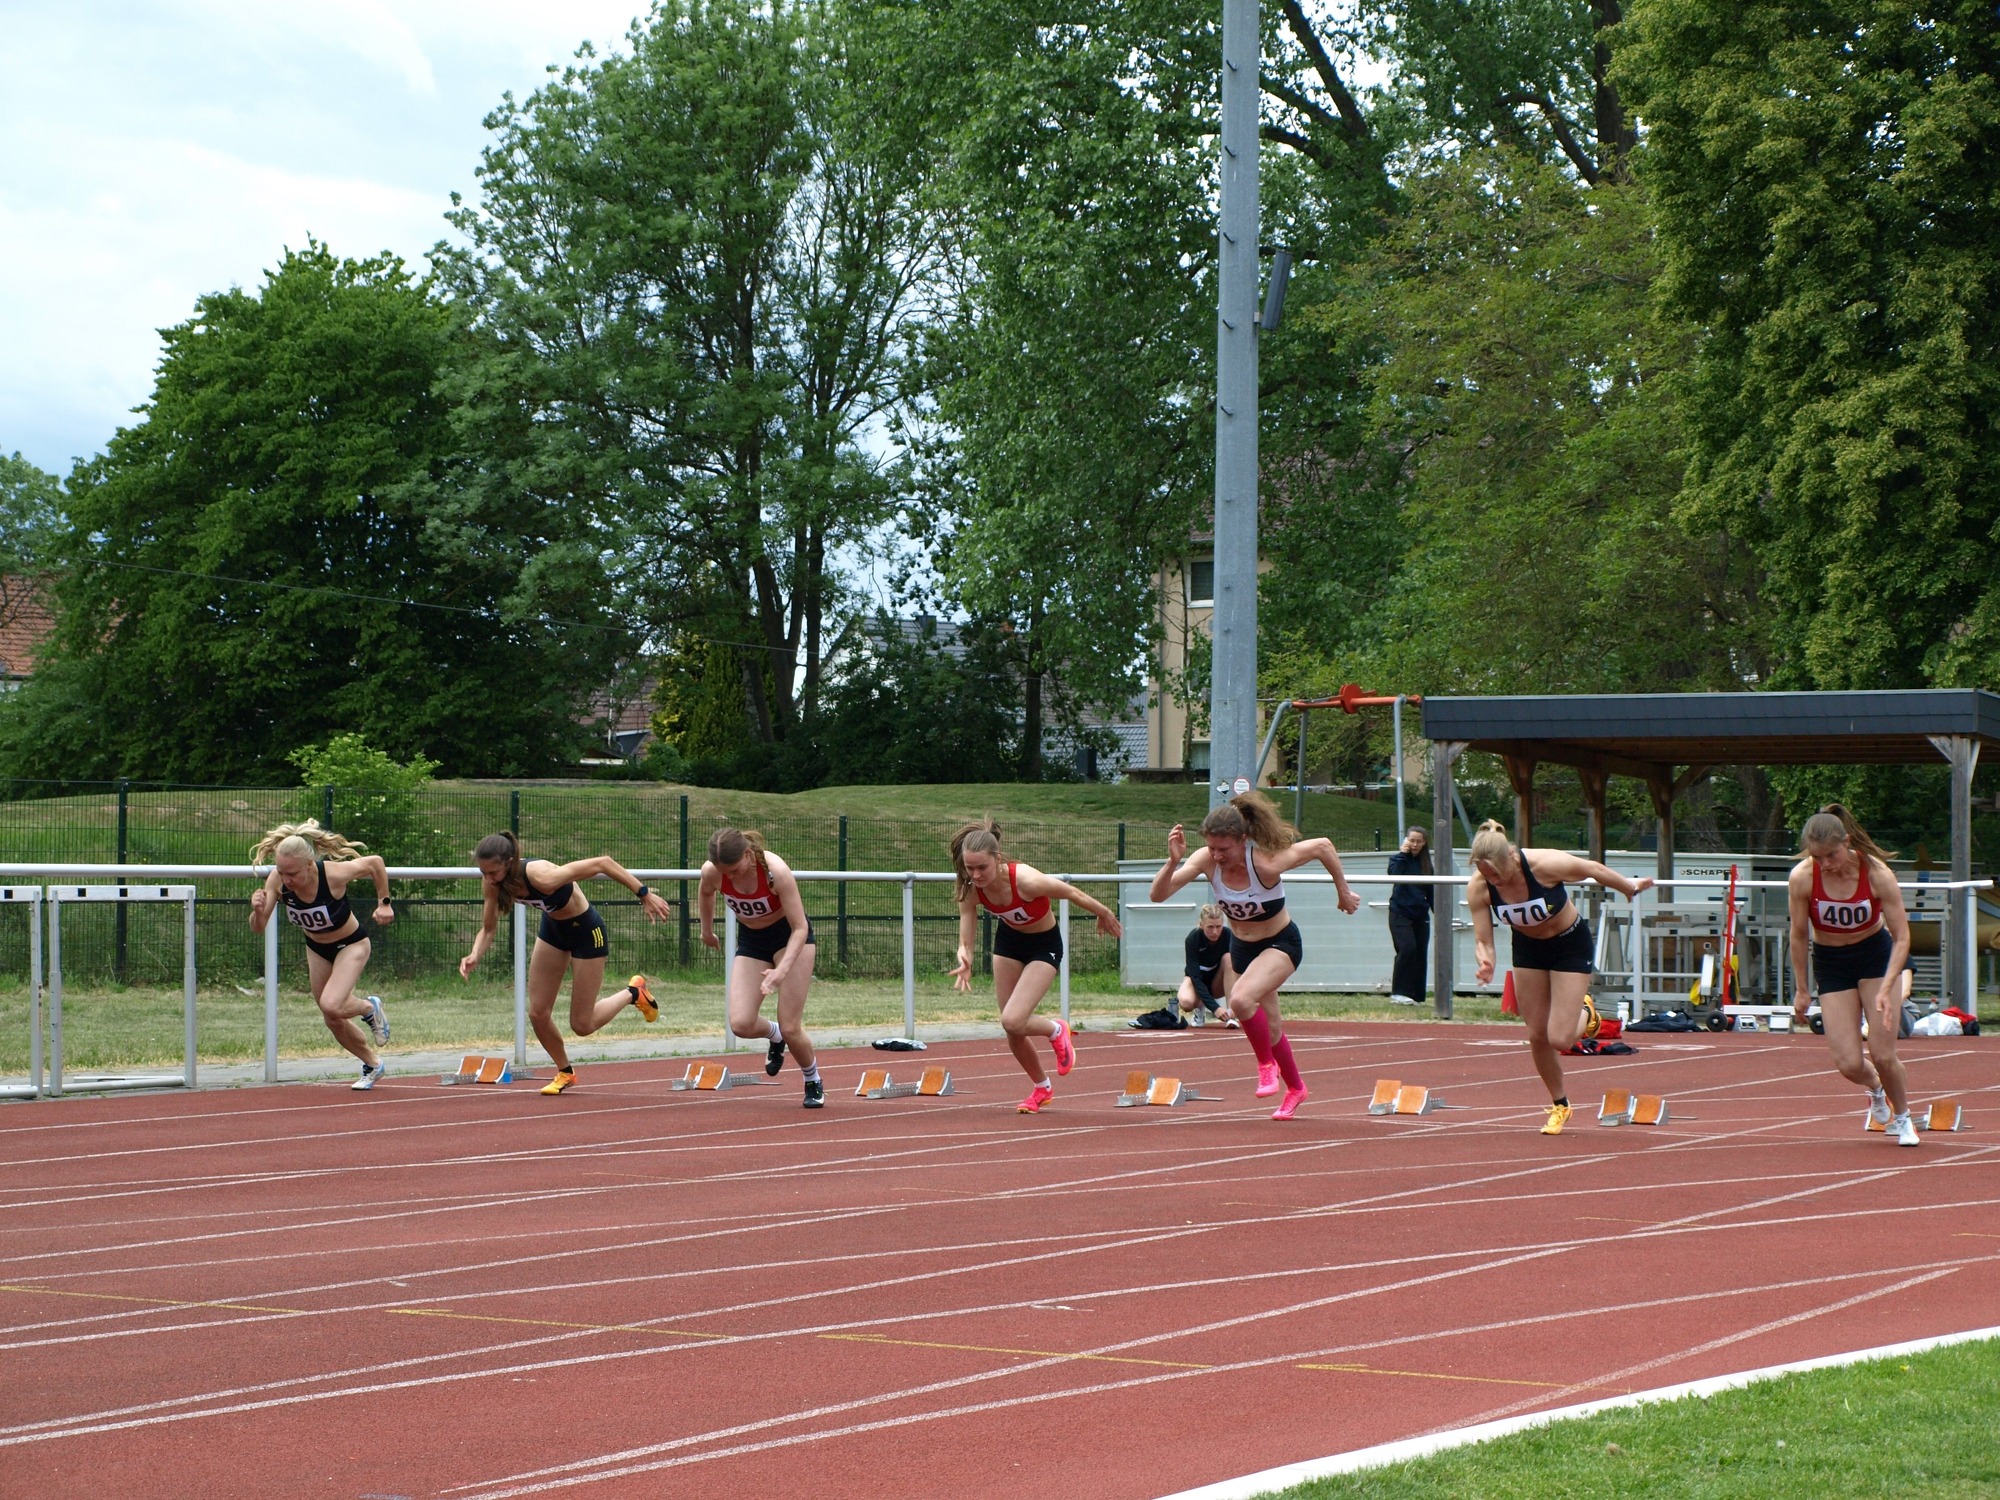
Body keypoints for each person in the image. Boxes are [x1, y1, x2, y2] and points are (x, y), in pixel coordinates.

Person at [1148, 792, 1361, 1120]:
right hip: (1243, 949)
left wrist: (1343, 891)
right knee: (1271, 1029)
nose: (1217, 855)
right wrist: (1173, 861)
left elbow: (1323, 846)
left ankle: (1265, 1066)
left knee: (1241, 1000)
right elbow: (1158, 895)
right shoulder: (1206, 860)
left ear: (1243, 839)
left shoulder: (1265, 862)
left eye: (1224, 849)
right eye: (1212, 848)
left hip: (1280, 944)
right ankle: (1296, 1088)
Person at [1467, 820, 1652, 1135]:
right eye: (1487, 875)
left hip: (1569, 945)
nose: (1494, 881)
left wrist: (1627, 887)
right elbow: (1483, 940)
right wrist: (1486, 961)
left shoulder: (1543, 865)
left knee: (1560, 1039)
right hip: (1528, 950)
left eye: (1498, 874)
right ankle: (1560, 1104)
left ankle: (1587, 1012)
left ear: (1511, 857)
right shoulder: (1480, 887)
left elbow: (1593, 868)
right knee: (1537, 1035)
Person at [459, 830, 672, 1096]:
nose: (489, 878)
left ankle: (634, 993)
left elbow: (603, 863)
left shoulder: (541, 875)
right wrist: (475, 954)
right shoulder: (492, 883)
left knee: (582, 1025)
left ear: (510, 862)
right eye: (484, 873)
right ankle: (565, 1072)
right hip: (553, 931)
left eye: (493, 872)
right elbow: (488, 929)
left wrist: (644, 894)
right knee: (538, 1013)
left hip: (586, 932)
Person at [949, 818, 1123, 1114]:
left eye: (982, 868)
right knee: (1012, 1029)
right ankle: (1041, 1087)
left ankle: (1056, 1030)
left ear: (998, 859)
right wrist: (964, 956)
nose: (975, 875)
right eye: (970, 868)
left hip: (1044, 945)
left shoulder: (1026, 880)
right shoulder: (970, 888)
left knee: (1012, 1019)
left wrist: (1104, 912)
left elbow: (1072, 893)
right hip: (1009, 944)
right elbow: (966, 934)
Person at [1787, 805, 1917, 1146]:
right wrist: (1802, 989)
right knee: (1848, 1063)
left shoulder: (1877, 874)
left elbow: (1902, 937)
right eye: (1817, 857)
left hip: (1875, 957)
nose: (1826, 864)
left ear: (1846, 842)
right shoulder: (1802, 877)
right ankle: (1875, 1088)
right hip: (1832, 962)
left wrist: (1888, 986)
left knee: (1883, 1053)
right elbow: (1798, 935)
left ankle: (1903, 1118)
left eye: (1831, 855)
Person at [249, 821, 395, 1091]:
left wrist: (384, 903)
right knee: (332, 1017)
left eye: (292, 873)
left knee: (330, 1004)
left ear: (308, 865)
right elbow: (259, 928)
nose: (287, 880)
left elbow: (375, 863)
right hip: (317, 948)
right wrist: (257, 911)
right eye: (281, 872)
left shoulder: (333, 874)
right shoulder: (278, 881)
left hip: (351, 944)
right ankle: (373, 1064)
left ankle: (368, 1008)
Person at [699, 827, 826, 1109]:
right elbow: (706, 892)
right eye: (725, 873)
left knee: (791, 1026)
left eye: (735, 870)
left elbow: (800, 927)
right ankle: (774, 1035)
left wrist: (781, 971)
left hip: (789, 938)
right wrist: (706, 930)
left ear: (748, 854)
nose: (731, 877)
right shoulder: (712, 871)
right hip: (753, 940)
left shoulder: (775, 872)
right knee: (741, 1024)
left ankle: (812, 1079)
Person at [1386, 826, 1433, 1006]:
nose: (1414, 844)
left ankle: (1416, 995)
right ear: (1406, 840)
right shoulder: (1398, 859)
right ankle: (1399, 992)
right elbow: (1394, 875)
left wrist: (1439, 912)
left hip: (1420, 913)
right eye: (1412, 840)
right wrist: (1402, 854)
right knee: (1407, 948)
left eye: (1418, 841)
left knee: (1420, 952)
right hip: (1400, 912)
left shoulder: (1427, 865)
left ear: (1424, 843)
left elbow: (1431, 891)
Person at [1178, 905, 1235, 1026]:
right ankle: (1200, 1007)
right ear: (1201, 925)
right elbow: (1195, 977)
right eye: (1210, 927)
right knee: (1186, 1003)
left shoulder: (1228, 935)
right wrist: (1215, 1008)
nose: (1215, 932)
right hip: (1196, 981)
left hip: (1216, 983)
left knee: (1229, 958)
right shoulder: (1192, 939)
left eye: (1218, 926)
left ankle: (1231, 1013)